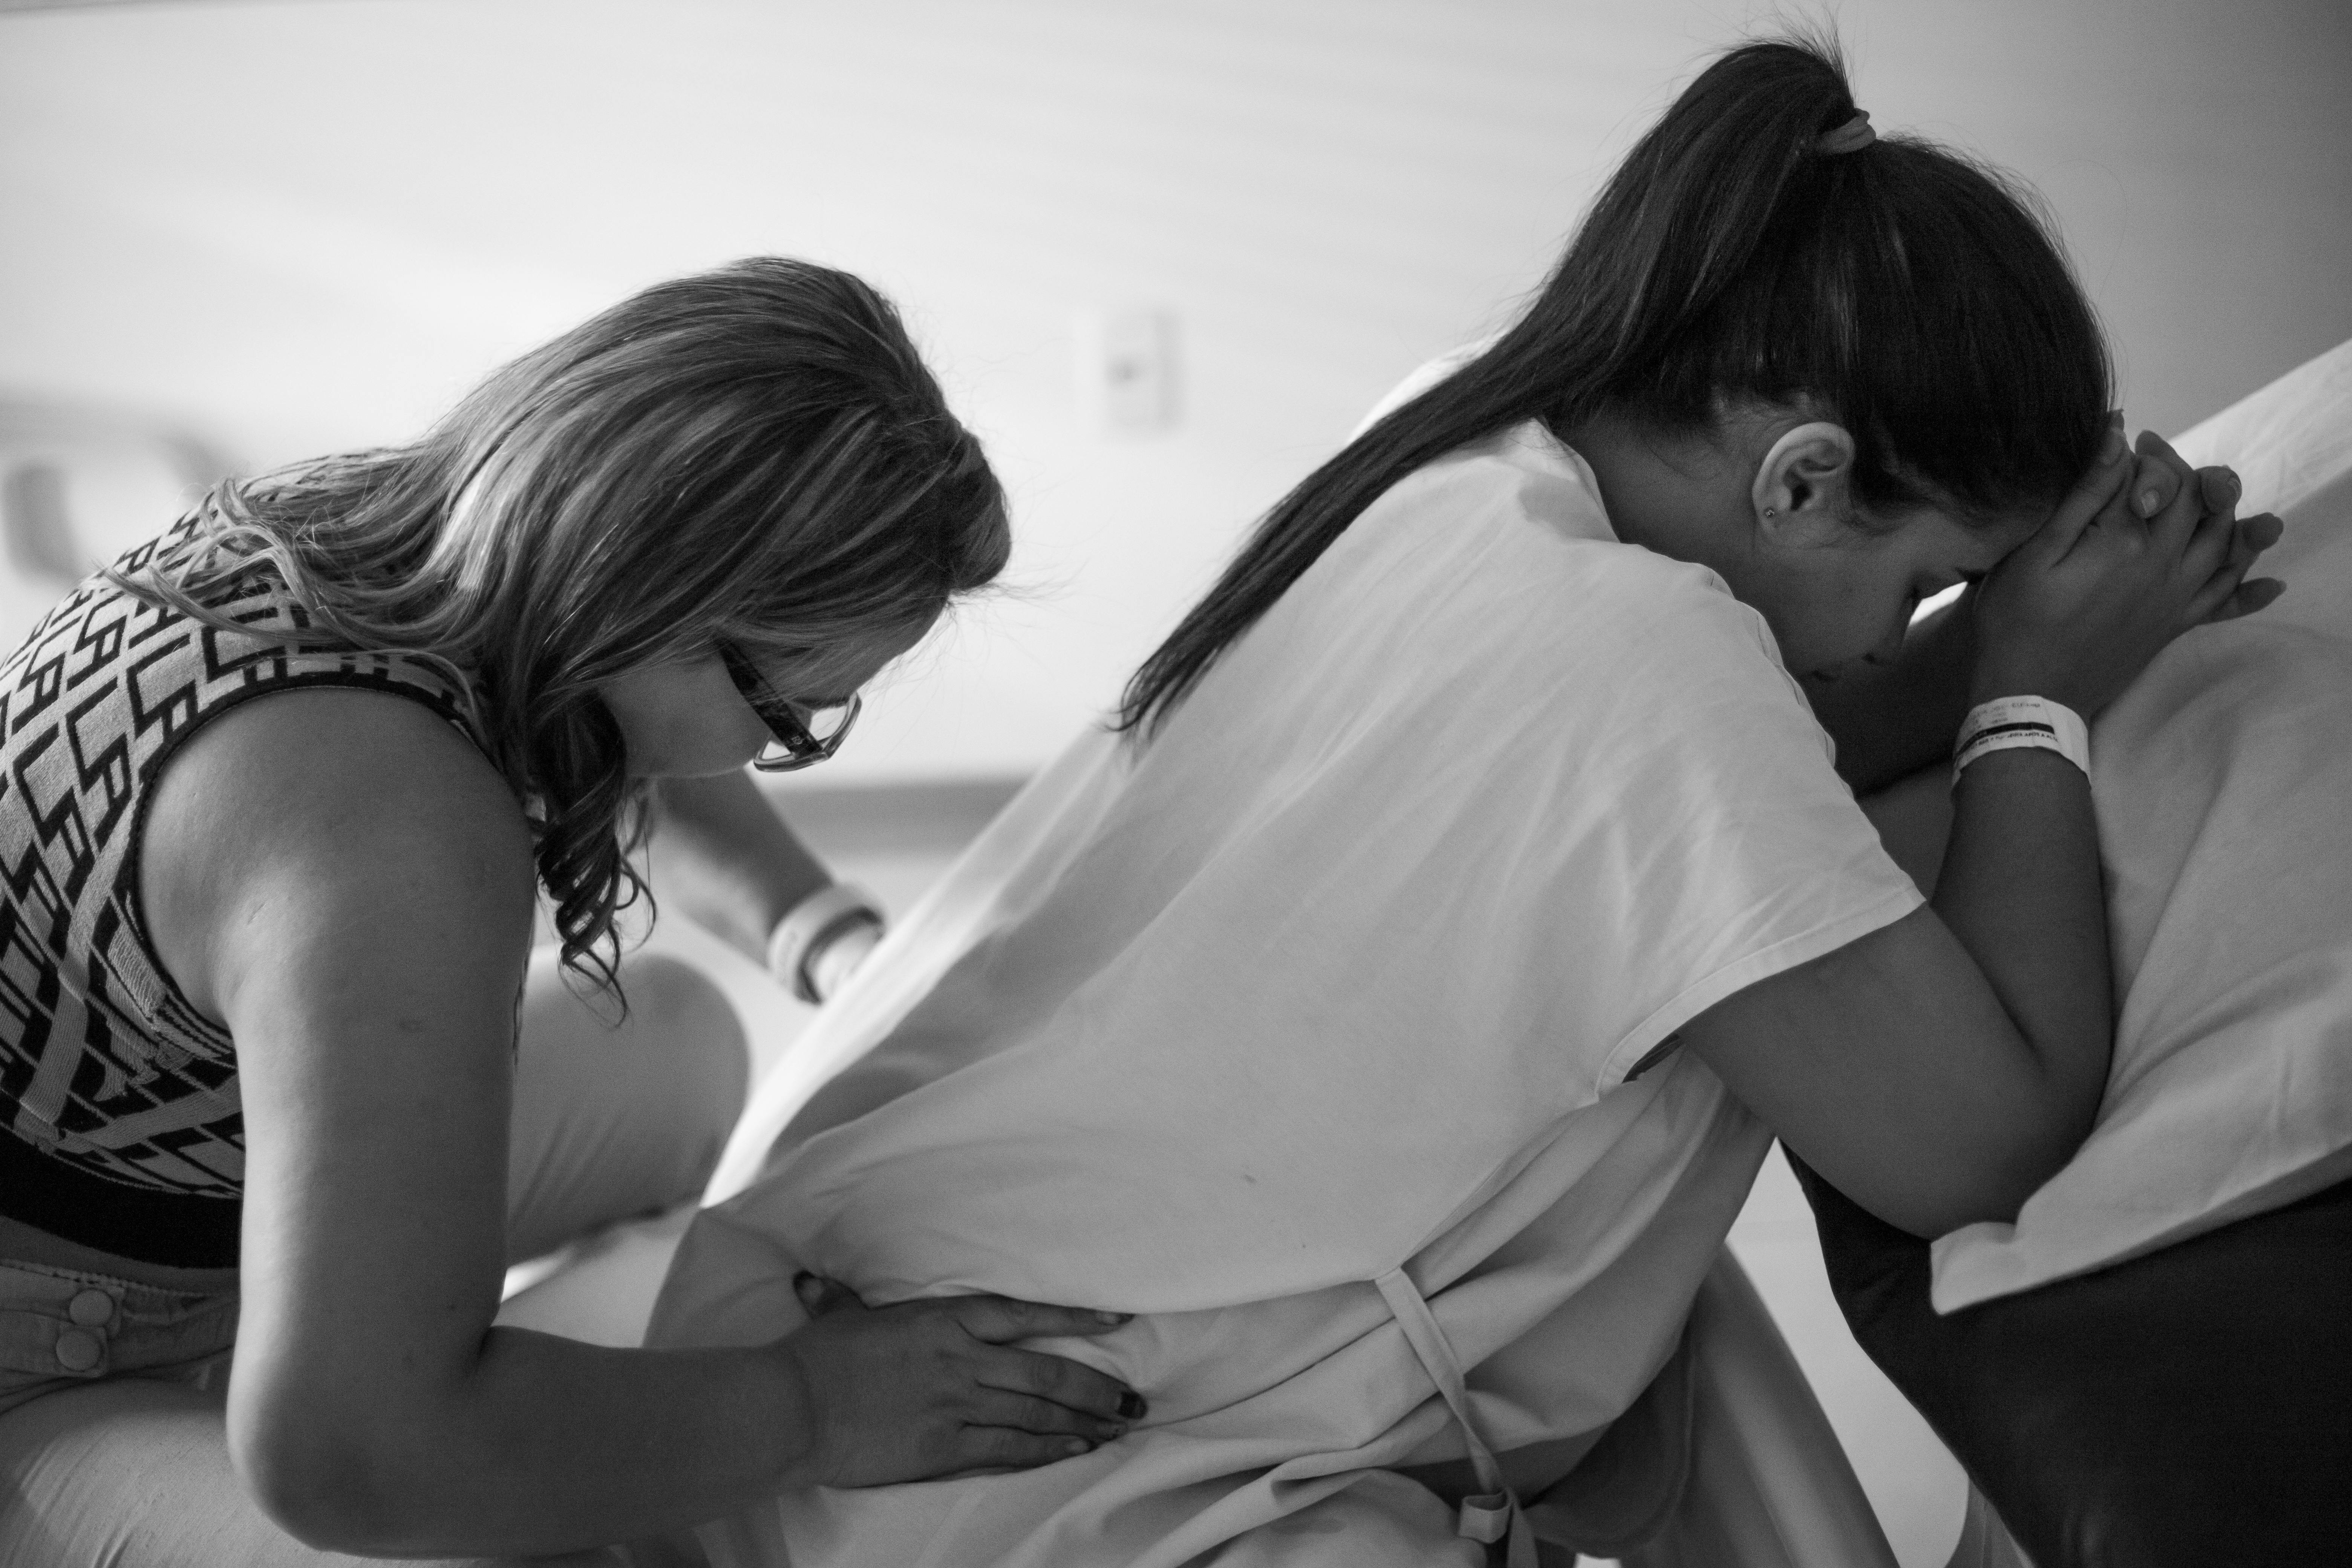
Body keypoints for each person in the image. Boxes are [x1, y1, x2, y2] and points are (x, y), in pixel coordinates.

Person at [640, 37, 2285, 1568]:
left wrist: (2014, 630)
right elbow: (1979, 1145)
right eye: (1926, 585)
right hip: (975, 1457)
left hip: (806, 1280)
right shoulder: (1645, 666)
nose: (1901, 639)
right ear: (1803, 479)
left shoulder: (1462, 450)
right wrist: (2035, 693)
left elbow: (1738, 771)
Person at [0, 258, 1145, 1566]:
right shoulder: (392, 835)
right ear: (640, 593)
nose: (778, 749)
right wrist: (816, 1406)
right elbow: (351, 1455)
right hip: (44, 1350)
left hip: (149, 1190)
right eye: (786, 716)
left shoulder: (384, 532)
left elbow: (624, 733)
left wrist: (822, 937)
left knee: (676, 1036)